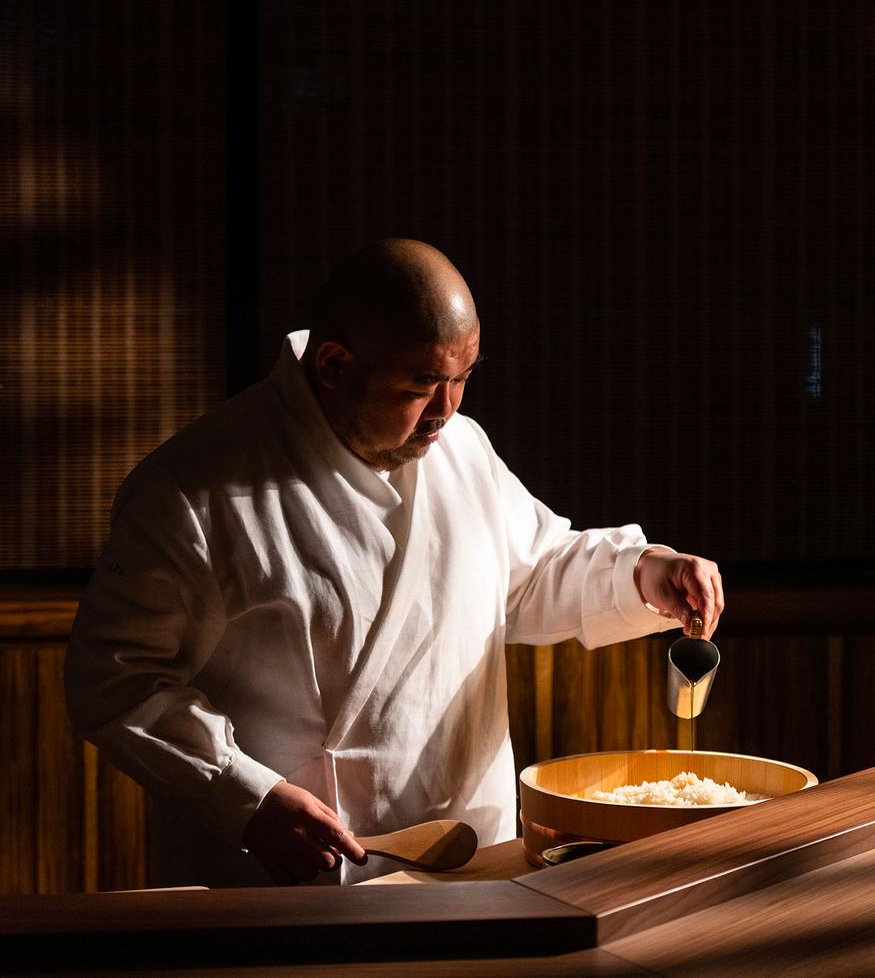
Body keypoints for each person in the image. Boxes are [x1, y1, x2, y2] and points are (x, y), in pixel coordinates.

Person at [65, 239, 723, 887]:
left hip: (469, 863)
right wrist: (245, 794)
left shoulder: (461, 450)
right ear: (333, 364)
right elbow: (115, 676)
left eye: (462, 378)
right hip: (283, 877)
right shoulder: (192, 487)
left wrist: (644, 573)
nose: (447, 410)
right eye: (421, 384)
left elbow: (529, 570)